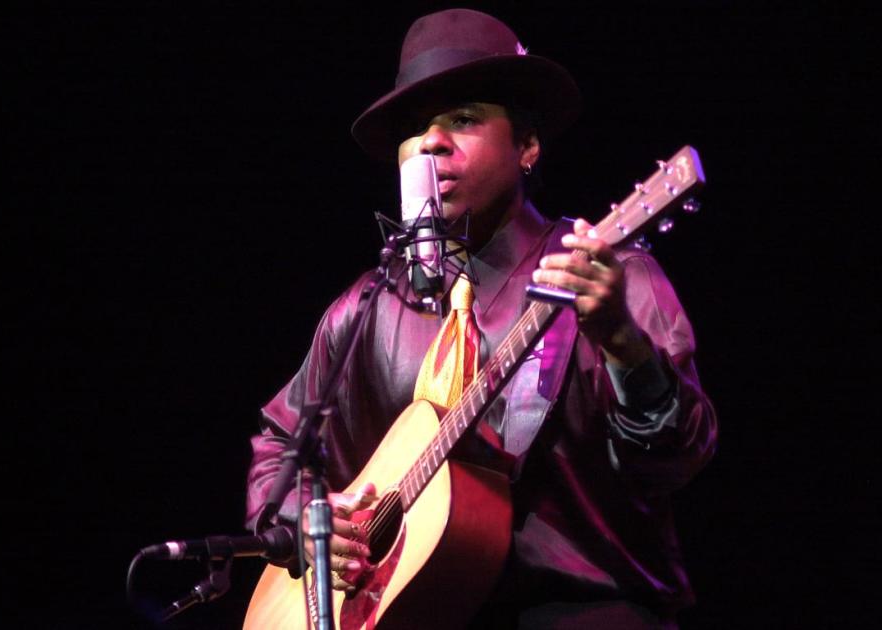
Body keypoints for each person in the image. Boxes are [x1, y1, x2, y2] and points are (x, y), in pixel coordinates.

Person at [246, 9, 717, 629]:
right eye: (414, 132)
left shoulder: (609, 276)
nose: (431, 143)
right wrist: (306, 521)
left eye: (462, 119)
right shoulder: (367, 307)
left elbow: (675, 459)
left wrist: (624, 343)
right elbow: (281, 442)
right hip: (413, 610)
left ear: (527, 146)